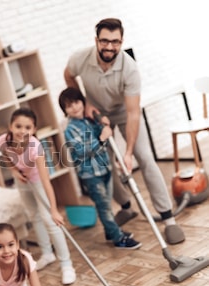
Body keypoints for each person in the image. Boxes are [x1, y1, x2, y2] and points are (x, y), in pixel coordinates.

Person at [63, 17, 185, 245]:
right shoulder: (80, 58)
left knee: (145, 158)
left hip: (123, 112)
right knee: (105, 163)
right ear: (96, 40)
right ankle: (126, 207)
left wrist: (128, 153)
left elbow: (133, 114)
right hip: (97, 114)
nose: (110, 47)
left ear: (121, 41)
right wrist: (84, 101)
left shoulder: (129, 68)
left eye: (115, 42)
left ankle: (168, 219)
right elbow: (68, 75)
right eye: (105, 41)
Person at [0, 108, 76, 285]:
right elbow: (6, 157)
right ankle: (47, 254)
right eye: (18, 126)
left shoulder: (35, 147)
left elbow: (46, 181)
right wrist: (15, 171)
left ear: (33, 130)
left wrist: (54, 210)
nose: (22, 131)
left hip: (38, 180)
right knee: (34, 216)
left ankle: (67, 265)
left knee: (49, 220)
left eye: (27, 127)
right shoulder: (3, 140)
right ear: (10, 126)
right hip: (22, 181)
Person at [59, 87, 142, 249]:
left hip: (105, 169)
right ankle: (118, 239)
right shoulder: (70, 129)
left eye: (76, 102)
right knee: (103, 207)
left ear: (82, 102)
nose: (75, 107)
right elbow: (82, 151)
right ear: (65, 110)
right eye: (69, 106)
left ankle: (111, 231)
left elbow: (99, 132)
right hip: (91, 175)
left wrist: (102, 124)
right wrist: (102, 138)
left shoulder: (87, 121)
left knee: (108, 205)